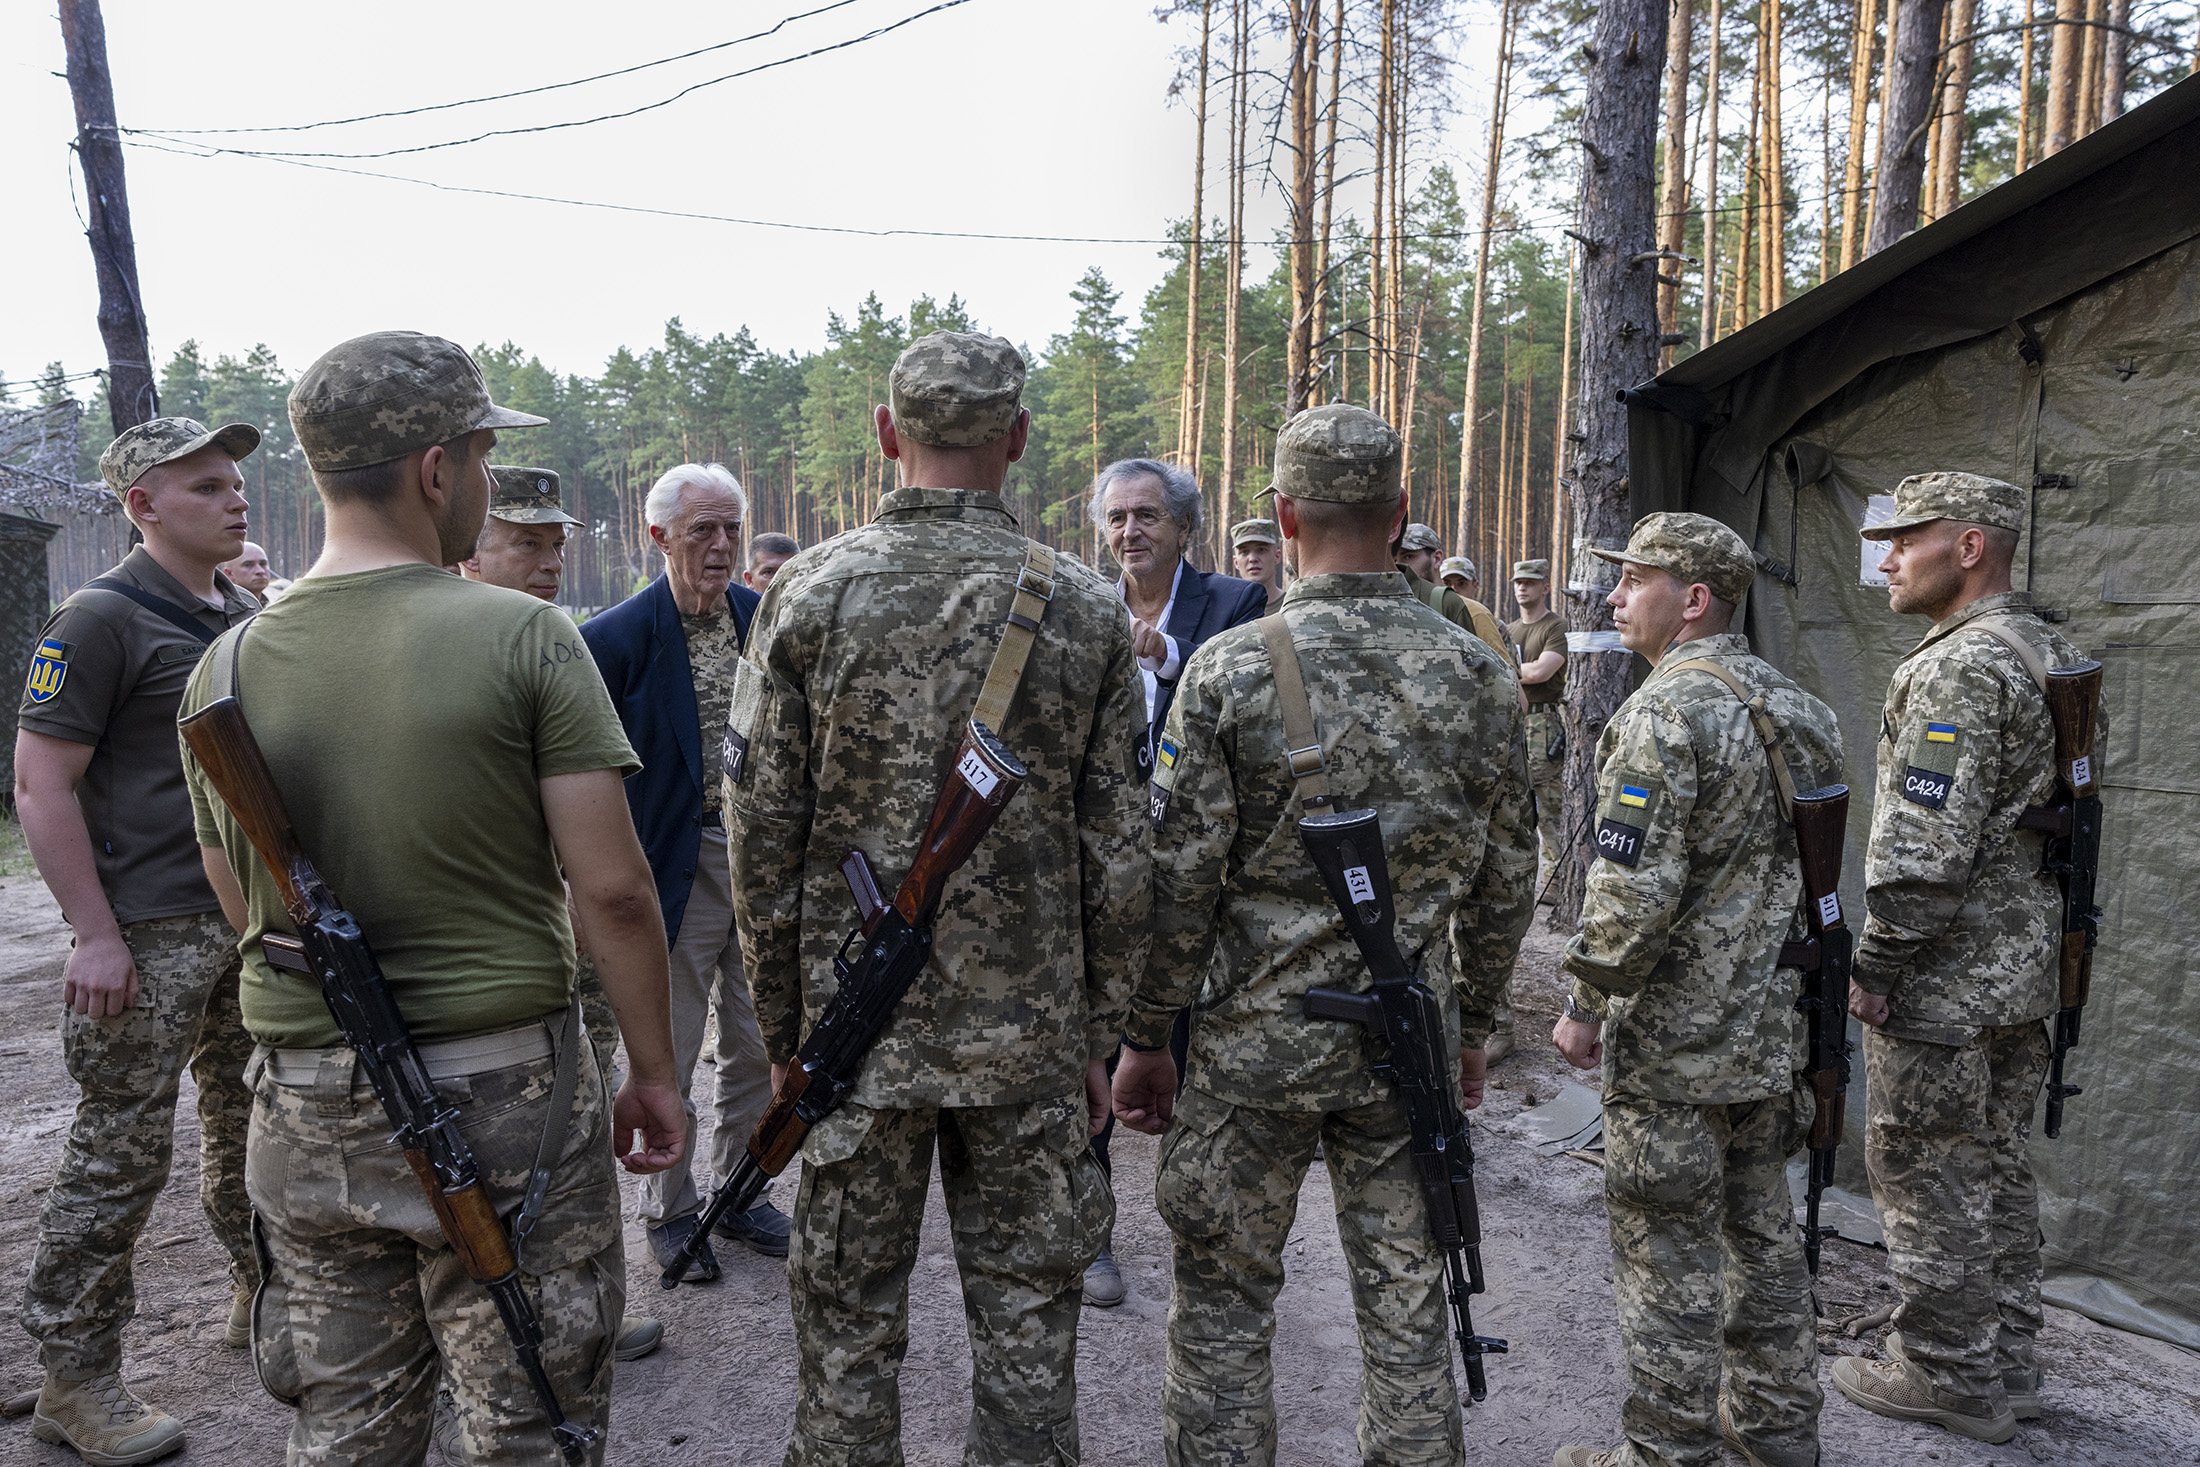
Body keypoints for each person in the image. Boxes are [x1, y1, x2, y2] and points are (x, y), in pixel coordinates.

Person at [180, 330, 686, 1464]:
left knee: (349, 1427)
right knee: (527, 1419)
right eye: (482, 454)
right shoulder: (523, 637)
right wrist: (653, 1073)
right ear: (434, 469)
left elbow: (238, 894)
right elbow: (610, 892)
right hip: (498, 1093)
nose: (487, 481)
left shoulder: (225, 668)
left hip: (303, 1103)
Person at [726, 330, 1148, 1466]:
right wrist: (1100, 1036)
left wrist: (783, 1032)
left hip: (853, 1042)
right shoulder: (1084, 607)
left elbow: (760, 840)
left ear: (884, 436)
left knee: (849, 1327)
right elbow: (1120, 847)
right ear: (1016, 442)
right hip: (1030, 1043)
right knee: (1026, 1326)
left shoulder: (807, 592)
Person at [1115, 404, 1536, 1467]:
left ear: (1285, 514)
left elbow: (1177, 881)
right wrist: (1474, 1020)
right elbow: (1508, 876)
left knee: (1221, 1311)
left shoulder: (1230, 670)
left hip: (1251, 1048)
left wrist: (1148, 1034)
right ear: (1400, 514)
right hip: (1406, 1047)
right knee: (1408, 1315)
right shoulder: (1479, 671)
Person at [1548, 513, 1842, 1467]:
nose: (1614, 598)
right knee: (1762, 1238)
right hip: (1769, 1039)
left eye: (1633, 581)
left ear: (1695, 600)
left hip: (1675, 1049)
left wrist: (1585, 1005)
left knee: (1667, 1256)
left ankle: (1667, 1454)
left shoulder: (1662, 713)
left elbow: (1631, 893)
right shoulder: (1801, 707)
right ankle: (1776, 1431)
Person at [16, 416, 263, 1465]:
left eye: (236, 482)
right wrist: (93, 936)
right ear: (143, 505)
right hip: (146, 935)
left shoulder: (229, 610)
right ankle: (74, 1380)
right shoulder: (98, 619)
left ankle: (264, 1299)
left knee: (250, 1126)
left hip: (238, 921)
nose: (235, 497)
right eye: (205, 485)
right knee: (118, 1158)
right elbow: (39, 784)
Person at [1832, 472, 2089, 1446]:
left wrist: (1879, 964)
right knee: (1991, 1165)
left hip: (1945, 975)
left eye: (1907, 538)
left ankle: (1943, 1373)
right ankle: (2008, 1363)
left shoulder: (1956, 667)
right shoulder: (2049, 648)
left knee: (1922, 1168)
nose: (1886, 557)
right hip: (2022, 970)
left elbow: (1920, 857)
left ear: (1970, 545)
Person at [449, 463, 664, 1376]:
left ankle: (593, 1303)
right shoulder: (474, 646)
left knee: (580, 1119)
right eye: (524, 542)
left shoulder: (550, 638)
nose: (548, 561)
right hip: (505, 941)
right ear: (471, 551)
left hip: (568, 930)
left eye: (556, 544)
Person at [580, 462, 786, 1280]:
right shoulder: (612, 639)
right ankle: (669, 1209)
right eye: (703, 529)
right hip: (670, 857)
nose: (722, 545)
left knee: (757, 1033)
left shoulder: (761, 618)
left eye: (732, 527)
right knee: (668, 1034)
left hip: (762, 858)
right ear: (657, 534)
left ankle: (741, 1189)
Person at [1087, 456, 1265, 1306]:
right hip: (1102, 870)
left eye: (1147, 516)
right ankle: (1093, 1237)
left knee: (1190, 1047)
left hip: (1202, 874)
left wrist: (1166, 657)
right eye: (1118, 518)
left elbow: (1253, 703)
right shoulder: (1081, 607)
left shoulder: (1235, 604)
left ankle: (1204, 1231)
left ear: (1185, 527)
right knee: (1093, 1041)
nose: (1130, 532)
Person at [1396, 523, 1514, 668]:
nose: (1398, 566)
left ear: (1437, 559)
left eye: (1408, 556)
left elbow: (1505, 679)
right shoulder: (1393, 611)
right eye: (1393, 559)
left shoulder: (1474, 613)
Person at [1229, 517, 1284, 609]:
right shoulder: (1226, 611)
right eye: (1244, 552)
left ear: (1277, 556)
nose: (1252, 559)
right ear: (1236, 562)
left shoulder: (1292, 607)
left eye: (1261, 550)